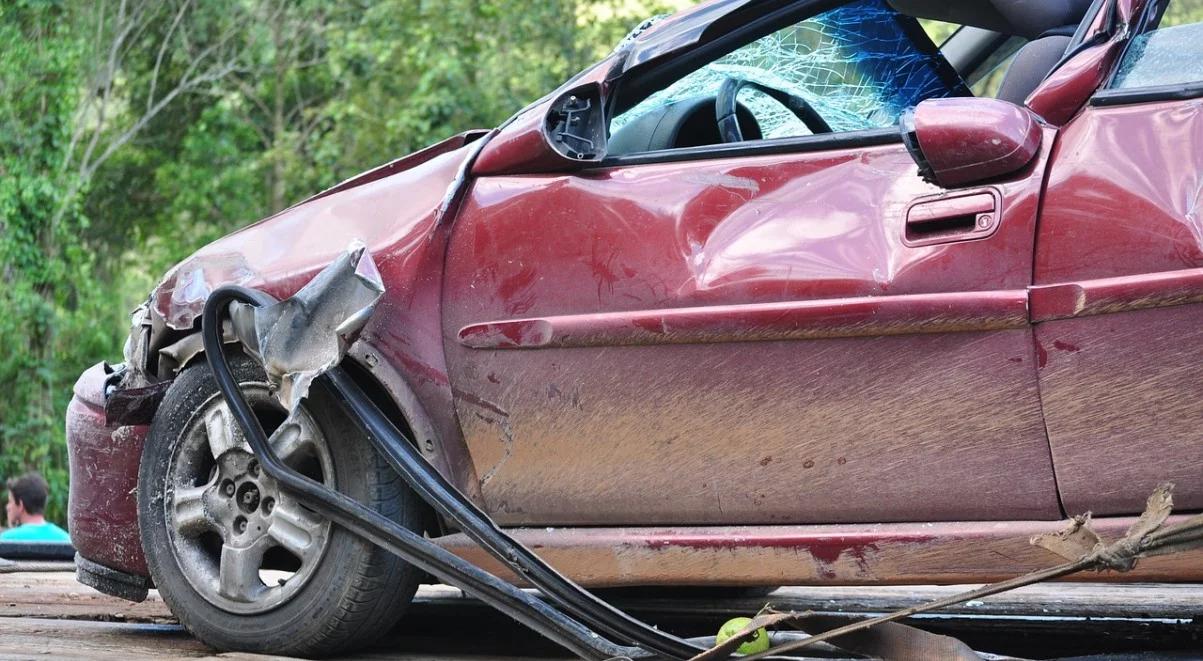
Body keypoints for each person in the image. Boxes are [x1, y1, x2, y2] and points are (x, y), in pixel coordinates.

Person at [2, 471, 70, 542]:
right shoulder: (66, 539)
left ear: (20, 505)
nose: (7, 507)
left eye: (10, 502)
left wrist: (11, 529)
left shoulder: (5, 539)